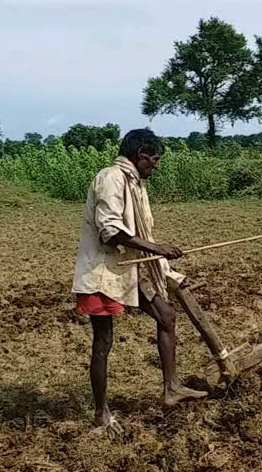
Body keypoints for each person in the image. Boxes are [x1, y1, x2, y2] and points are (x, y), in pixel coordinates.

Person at [72, 128, 207, 433]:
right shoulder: (111, 177)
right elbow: (110, 230)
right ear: (140, 155)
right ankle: (101, 414)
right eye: (154, 159)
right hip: (103, 270)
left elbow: (140, 232)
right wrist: (157, 248)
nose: (156, 166)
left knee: (167, 317)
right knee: (103, 341)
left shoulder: (136, 183)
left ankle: (171, 389)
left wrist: (167, 270)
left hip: (133, 268)